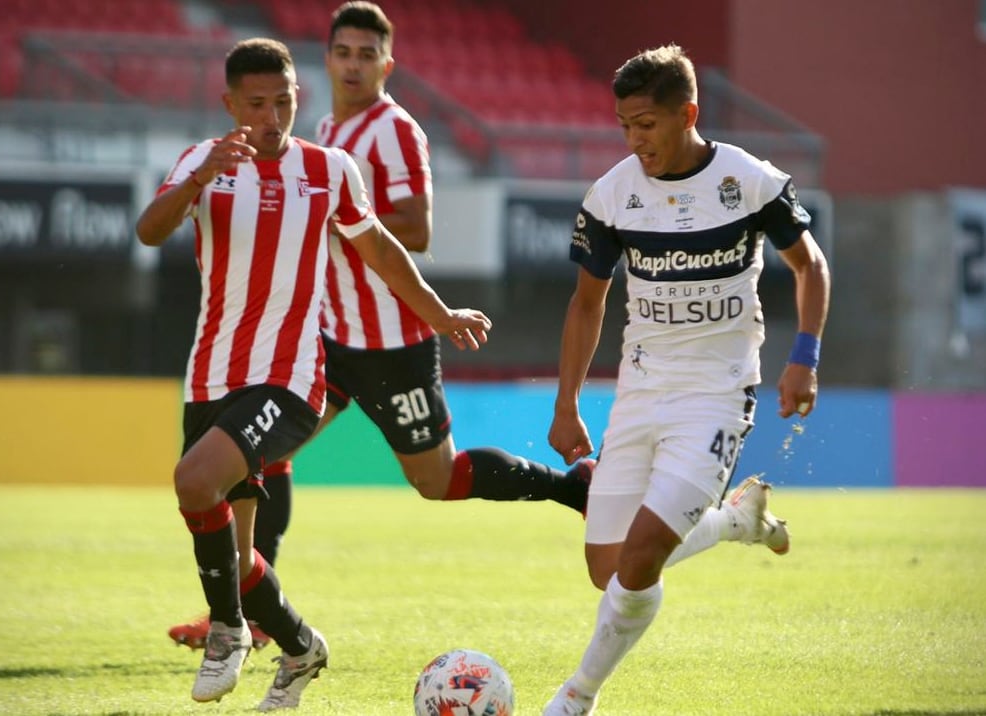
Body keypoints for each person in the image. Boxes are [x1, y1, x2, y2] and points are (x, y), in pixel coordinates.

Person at [167, 0, 598, 650]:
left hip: (392, 343)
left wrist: (324, 221)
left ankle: (572, 489)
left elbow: (417, 229)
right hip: (329, 337)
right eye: (343, 52)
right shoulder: (318, 130)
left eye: (367, 55)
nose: (353, 65)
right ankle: (249, 609)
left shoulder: (393, 130)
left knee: (437, 480)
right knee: (260, 453)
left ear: (386, 65)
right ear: (326, 60)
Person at [135, 37, 491, 710]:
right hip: (211, 378)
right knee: (237, 552)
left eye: (284, 101)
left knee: (193, 480)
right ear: (230, 104)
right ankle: (301, 649)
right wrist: (199, 178)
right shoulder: (201, 163)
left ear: (299, 97)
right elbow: (150, 231)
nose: (272, 118)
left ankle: (227, 634)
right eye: (256, 105)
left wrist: (439, 314)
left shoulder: (329, 169)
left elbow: (381, 248)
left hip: (290, 378)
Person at [542, 44, 830, 715]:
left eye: (646, 124)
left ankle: (576, 698)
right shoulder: (611, 195)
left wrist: (804, 356)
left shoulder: (749, 181)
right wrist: (566, 403)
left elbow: (809, 266)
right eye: (625, 125)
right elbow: (587, 304)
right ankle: (733, 523)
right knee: (608, 569)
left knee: (640, 558)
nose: (635, 139)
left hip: (718, 395)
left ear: (688, 114)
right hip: (641, 391)